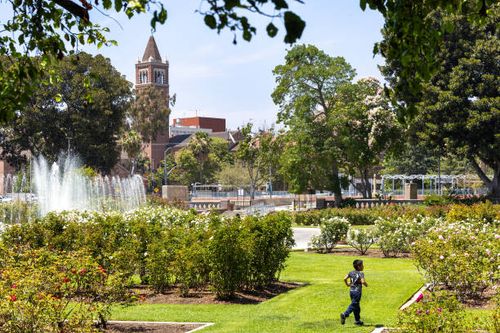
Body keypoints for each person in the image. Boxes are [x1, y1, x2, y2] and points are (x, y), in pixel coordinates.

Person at [340, 259, 368, 326]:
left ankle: (357, 321)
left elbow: (344, 278)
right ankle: (345, 314)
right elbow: (363, 281)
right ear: (358, 266)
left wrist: (347, 284)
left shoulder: (351, 272)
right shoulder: (361, 273)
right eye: (362, 265)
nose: (363, 266)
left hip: (351, 291)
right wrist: (366, 284)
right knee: (354, 304)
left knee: (357, 306)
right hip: (357, 292)